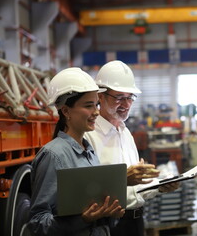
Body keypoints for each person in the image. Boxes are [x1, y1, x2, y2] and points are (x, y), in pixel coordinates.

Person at [85, 60, 180, 236]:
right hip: (108, 225)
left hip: (135, 221)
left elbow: (134, 188)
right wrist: (121, 178)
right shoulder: (88, 135)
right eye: (120, 97)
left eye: (130, 97)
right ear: (101, 96)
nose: (127, 104)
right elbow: (85, 189)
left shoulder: (125, 132)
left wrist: (159, 185)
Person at [28, 68, 125, 236]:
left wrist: (110, 214)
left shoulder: (89, 152)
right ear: (66, 111)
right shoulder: (53, 155)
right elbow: (38, 223)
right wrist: (82, 220)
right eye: (88, 106)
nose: (96, 112)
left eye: (96, 105)